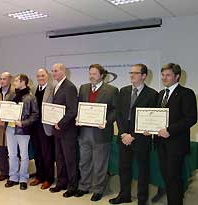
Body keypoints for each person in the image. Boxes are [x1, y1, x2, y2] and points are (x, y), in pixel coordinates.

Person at [109, 64, 158, 205]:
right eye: (131, 72)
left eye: (135, 73)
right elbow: (118, 114)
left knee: (143, 170)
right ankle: (124, 196)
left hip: (141, 138)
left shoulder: (152, 94)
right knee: (123, 168)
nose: (132, 75)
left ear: (144, 76)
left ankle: (142, 200)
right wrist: (124, 133)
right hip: (124, 137)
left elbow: (150, 118)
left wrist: (133, 135)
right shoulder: (123, 91)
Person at [155, 63, 197, 205]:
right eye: (163, 75)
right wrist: (149, 129)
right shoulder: (161, 94)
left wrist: (170, 130)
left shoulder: (187, 93)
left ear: (177, 76)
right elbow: (156, 117)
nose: (164, 78)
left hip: (176, 143)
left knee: (174, 177)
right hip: (161, 143)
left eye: (168, 75)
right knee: (167, 177)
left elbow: (191, 118)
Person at [77, 64, 119, 202]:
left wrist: (106, 121)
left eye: (94, 74)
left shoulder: (112, 90)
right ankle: (83, 186)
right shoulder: (83, 88)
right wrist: (78, 117)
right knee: (84, 161)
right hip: (84, 131)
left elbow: (116, 110)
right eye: (90, 73)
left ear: (102, 75)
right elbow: (79, 106)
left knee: (100, 163)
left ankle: (98, 189)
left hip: (101, 131)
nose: (91, 76)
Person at [4, 74, 39, 190]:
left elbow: (35, 115)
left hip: (23, 129)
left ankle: (23, 178)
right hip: (10, 128)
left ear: (23, 82)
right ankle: (13, 177)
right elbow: (6, 109)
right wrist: (1, 117)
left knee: (24, 155)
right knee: (12, 154)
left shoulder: (31, 97)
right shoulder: (11, 95)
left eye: (16, 80)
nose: (14, 82)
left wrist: (23, 123)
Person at [49, 63, 79, 198]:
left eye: (56, 71)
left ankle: (72, 186)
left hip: (67, 130)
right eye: (52, 71)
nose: (53, 73)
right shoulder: (57, 86)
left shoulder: (70, 87)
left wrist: (60, 123)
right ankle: (61, 183)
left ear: (63, 71)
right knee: (59, 158)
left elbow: (73, 110)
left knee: (70, 160)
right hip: (57, 130)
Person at [30, 68, 55, 189]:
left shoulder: (53, 89)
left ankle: (48, 178)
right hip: (34, 126)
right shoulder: (33, 89)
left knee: (47, 154)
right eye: (38, 76)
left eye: (43, 75)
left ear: (47, 76)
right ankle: (39, 176)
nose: (40, 78)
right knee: (37, 153)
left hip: (46, 126)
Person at [0, 72, 15, 181]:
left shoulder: (15, 92)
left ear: (10, 79)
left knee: (12, 152)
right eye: (1, 79)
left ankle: (13, 174)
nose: (2, 81)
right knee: (1, 151)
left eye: (4, 79)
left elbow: (17, 109)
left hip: (11, 126)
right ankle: (4, 172)